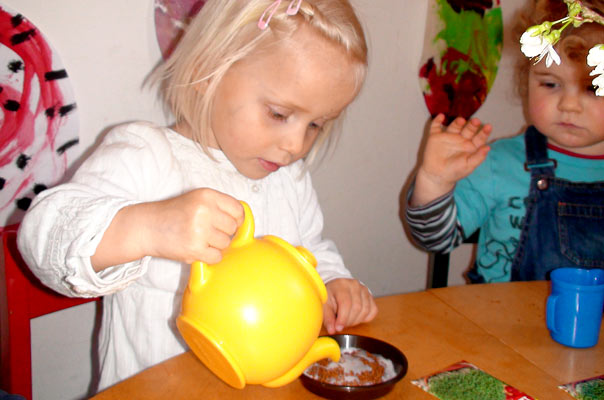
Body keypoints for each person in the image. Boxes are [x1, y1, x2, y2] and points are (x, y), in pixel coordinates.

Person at [16, 0, 378, 391]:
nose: (294, 145)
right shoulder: (146, 156)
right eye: (278, 114)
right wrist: (145, 227)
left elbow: (311, 249)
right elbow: (42, 236)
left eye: (316, 125)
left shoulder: (289, 180)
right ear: (209, 71)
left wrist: (334, 282)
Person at [405, 0, 604, 283]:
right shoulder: (498, 162)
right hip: (496, 324)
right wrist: (433, 181)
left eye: (593, 88)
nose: (569, 105)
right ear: (527, 82)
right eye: (550, 84)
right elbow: (433, 239)